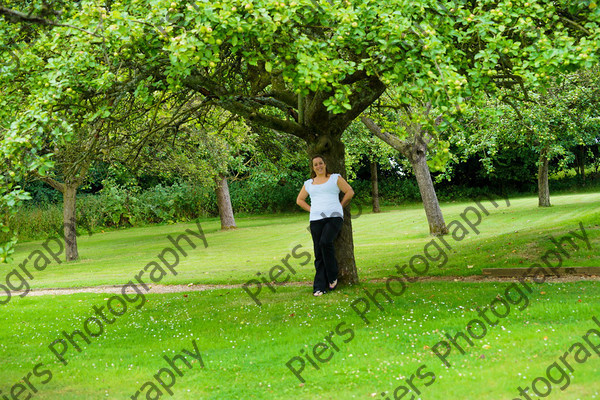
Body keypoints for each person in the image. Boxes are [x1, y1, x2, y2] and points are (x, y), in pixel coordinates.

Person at [296, 155, 354, 296]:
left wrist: (340, 206)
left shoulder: (335, 178)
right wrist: (312, 210)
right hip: (316, 219)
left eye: (321, 163)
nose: (319, 166)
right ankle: (319, 287)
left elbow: (349, 192)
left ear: (325, 164)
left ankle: (332, 275)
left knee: (325, 242)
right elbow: (300, 200)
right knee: (318, 252)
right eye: (315, 164)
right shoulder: (309, 183)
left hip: (334, 217)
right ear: (313, 167)